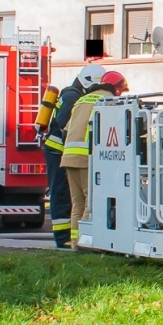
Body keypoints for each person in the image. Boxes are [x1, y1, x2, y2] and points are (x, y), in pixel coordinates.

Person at [59, 70, 126, 248]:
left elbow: (67, 128)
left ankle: (75, 242)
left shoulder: (82, 99)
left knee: (77, 203)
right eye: (121, 89)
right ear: (116, 87)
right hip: (87, 158)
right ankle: (87, 242)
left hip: (69, 156)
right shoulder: (109, 101)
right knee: (91, 201)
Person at [45, 64, 103, 248]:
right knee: (61, 194)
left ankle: (69, 238)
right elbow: (64, 124)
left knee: (72, 197)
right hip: (58, 151)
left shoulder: (71, 94)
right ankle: (63, 239)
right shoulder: (72, 97)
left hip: (61, 151)